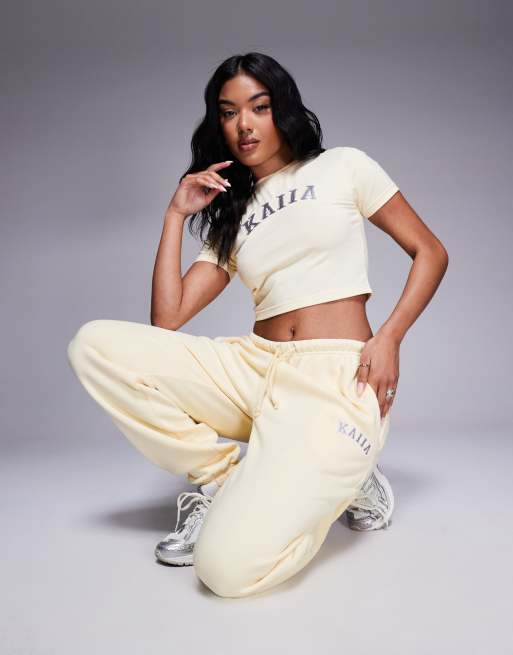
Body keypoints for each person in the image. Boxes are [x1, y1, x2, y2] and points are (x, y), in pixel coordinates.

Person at [66, 52, 449, 599]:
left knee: (224, 571)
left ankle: (345, 479)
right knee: (95, 346)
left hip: (334, 377)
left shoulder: (343, 167)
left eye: (259, 107)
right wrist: (175, 214)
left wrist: (388, 337)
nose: (244, 124)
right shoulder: (232, 214)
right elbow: (166, 318)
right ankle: (222, 479)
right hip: (254, 368)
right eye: (229, 113)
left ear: (282, 109)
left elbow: (430, 251)